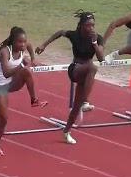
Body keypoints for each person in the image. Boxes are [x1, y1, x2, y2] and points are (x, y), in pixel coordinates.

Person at [36, 11, 104, 144]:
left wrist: (95, 43)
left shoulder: (97, 38)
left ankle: (66, 131)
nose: (91, 28)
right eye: (88, 25)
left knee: (76, 106)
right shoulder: (75, 35)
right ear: (81, 25)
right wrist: (44, 45)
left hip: (87, 75)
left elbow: (101, 58)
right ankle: (86, 102)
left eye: (93, 25)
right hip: (75, 69)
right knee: (93, 67)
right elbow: (60, 32)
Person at [0, 27, 48, 155]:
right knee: (4, 119)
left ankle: (34, 100)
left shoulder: (24, 45)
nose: (23, 45)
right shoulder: (5, 52)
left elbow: (29, 45)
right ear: (13, 42)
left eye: (24, 42)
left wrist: (32, 59)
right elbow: (5, 73)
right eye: (19, 42)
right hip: (0, 86)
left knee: (27, 71)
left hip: (12, 83)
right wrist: (22, 64)